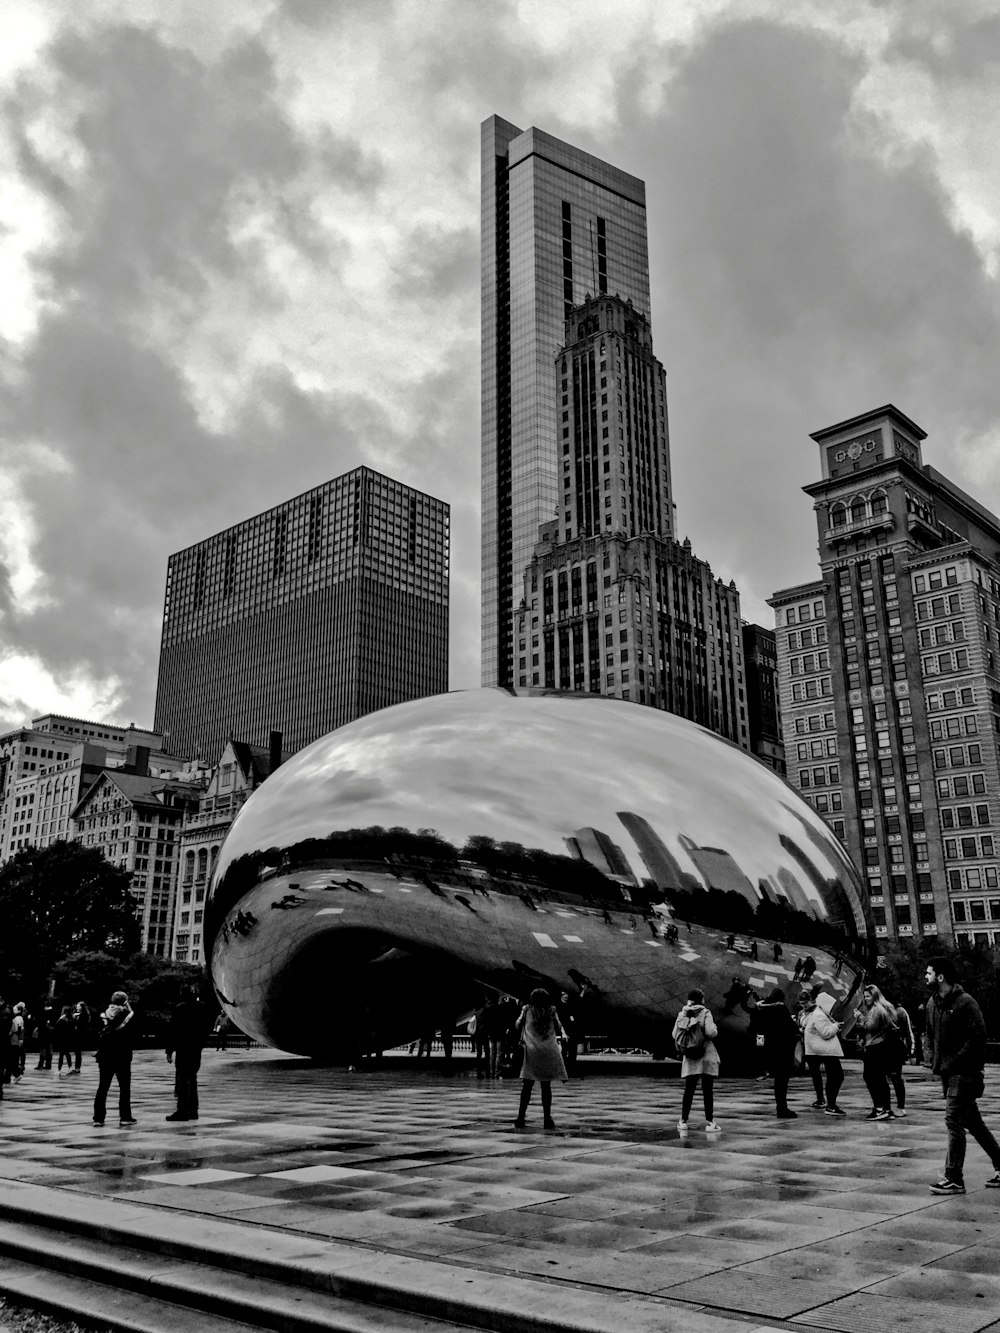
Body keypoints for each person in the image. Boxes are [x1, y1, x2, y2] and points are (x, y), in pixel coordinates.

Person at [924, 956, 1000, 1195]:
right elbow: (929, 1033)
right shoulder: (932, 1003)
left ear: (940, 976)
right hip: (947, 1073)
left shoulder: (966, 1002)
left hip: (965, 1073)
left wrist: (954, 1061)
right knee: (974, 1124)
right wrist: (931, 1059)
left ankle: (954, 1177)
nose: (925, 977)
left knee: (953, 1121)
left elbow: (977, 1038)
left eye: (928, 973)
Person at [513, 989, 567, 1130]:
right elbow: (559, 1025)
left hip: (532, 1051)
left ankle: (520, 1117)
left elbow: (518, 1025)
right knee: (546, 1086)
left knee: (527, 1086)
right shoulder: (551, 1010)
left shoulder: (527, 1009)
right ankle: (547, 1119)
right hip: (548, 1050)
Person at [672, 989, 721, 1134]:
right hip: (705, 1055)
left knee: (689, 1090)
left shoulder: (682, 1014)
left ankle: (683, 1121)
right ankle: (710, 1122)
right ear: (702, 999)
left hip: (690, 1056)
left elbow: (674, 1034)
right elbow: (711, 1032)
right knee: (707, 1090)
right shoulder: (705, 1012)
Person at [165, 987, 210, 1121]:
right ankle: (193, 1110)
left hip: (183, 1048)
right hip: (195, 1049)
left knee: (183, 1079)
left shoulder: (180, 1008)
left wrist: (170, 1050)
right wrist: (201, 1044)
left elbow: (174, 1030)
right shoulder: (202, 1008)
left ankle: (182, 1110)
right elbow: (206, 1028)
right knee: (193, 1078)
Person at [753, 988, 799, 1118]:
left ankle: (781, 1107)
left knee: (778, 1081)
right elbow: (791, 1028)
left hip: (771, 1048)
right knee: (782, 1081)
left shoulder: (763, 1010)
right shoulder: (780, 1009)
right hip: (783, 1050)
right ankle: (782, 1109)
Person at [857, 982, 900, 1121]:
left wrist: (859, 1018)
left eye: (868, 996)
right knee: (881, 1079)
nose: (866, 999)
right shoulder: (885, 1008)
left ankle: (879, 1108)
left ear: (874, 996)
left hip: (874, 1046)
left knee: (870, 1077)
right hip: (882, 1046)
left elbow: (871, 1026)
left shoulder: (876, 1010)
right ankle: (886, 1108)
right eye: (865, 996)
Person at [92, 991, 136, 1127]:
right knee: (124, 1087)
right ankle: (125, 1116)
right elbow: (133, 1035)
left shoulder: (103, 1014)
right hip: (122, 1054)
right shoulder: (128, 1015)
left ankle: (98, 1118)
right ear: (125, 1001)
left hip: (105, 1054)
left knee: (103, 1087)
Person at [803, 992, 847, 1115]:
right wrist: (836, 1026)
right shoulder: (819, 1015)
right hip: (826, 1051)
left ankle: (830, 1104)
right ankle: (831, 1105)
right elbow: (826, 1033)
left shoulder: (819, 1014)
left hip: (823, 1051)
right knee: (836, 1077)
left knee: (834, 1077)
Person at [884, 991, 914, 1116]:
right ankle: (886, 1106)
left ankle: (901, 1106)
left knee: (896, 1078)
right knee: (885, 1079)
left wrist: (911, 1052)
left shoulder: (900, 1012)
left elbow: (908, 1032)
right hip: (884, 1048)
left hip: (896, 1049)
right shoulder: (883, 1011)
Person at [70, 1001, 91, 1074]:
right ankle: (77, 1067)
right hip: (77, 1034)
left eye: (79, 1006)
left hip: (80, 1035)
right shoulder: (80, 1015)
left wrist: (75, 1017)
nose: (77, 1007)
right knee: (76, 1052)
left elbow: (80, 1024)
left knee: (77, 1052)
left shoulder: (84, 1015)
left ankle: (77, 1068)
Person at [54, 1006, 75, 1073]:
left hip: (62, 1039)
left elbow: (57, 1028)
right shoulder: (71, 1018)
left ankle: (59, 1069)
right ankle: (70, 1067)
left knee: (61, 1055)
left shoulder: (62, 1019)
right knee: (67, 1053)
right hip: (68, 1038)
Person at [9, 1003, 26, 1082]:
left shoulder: (17, 1018)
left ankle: (17, 1072)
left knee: (13, 1057)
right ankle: (16, 1072)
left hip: (14, 1039)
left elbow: (18, 1029)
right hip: (16, 1039)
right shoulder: (17, 1018)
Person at [34, 1005, 54, 1071]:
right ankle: (48, 1065)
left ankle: (41, 1065)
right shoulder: (51, 1013)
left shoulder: (43, 1015)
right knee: (49, 1050)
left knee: (43, 1050)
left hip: (43, 1034)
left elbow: (40, 1024)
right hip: (49, 1034)